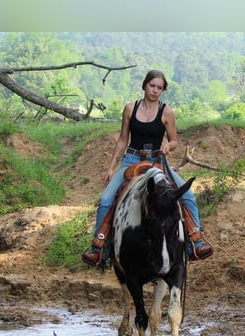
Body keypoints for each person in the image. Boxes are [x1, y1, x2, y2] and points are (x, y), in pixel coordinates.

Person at [81, 70, 213, 266]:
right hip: (130, 159)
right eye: (152, 86)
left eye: (160, 88)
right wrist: (111, 168)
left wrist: (168, 146)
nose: (155, 90)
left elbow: (174, 140)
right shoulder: (129, 109)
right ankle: (99, 248)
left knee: (187, 195)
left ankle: (195, 242)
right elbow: (123, 140)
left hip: (157, 161)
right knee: (106, 199)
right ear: (144, 85)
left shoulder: (166, 111)